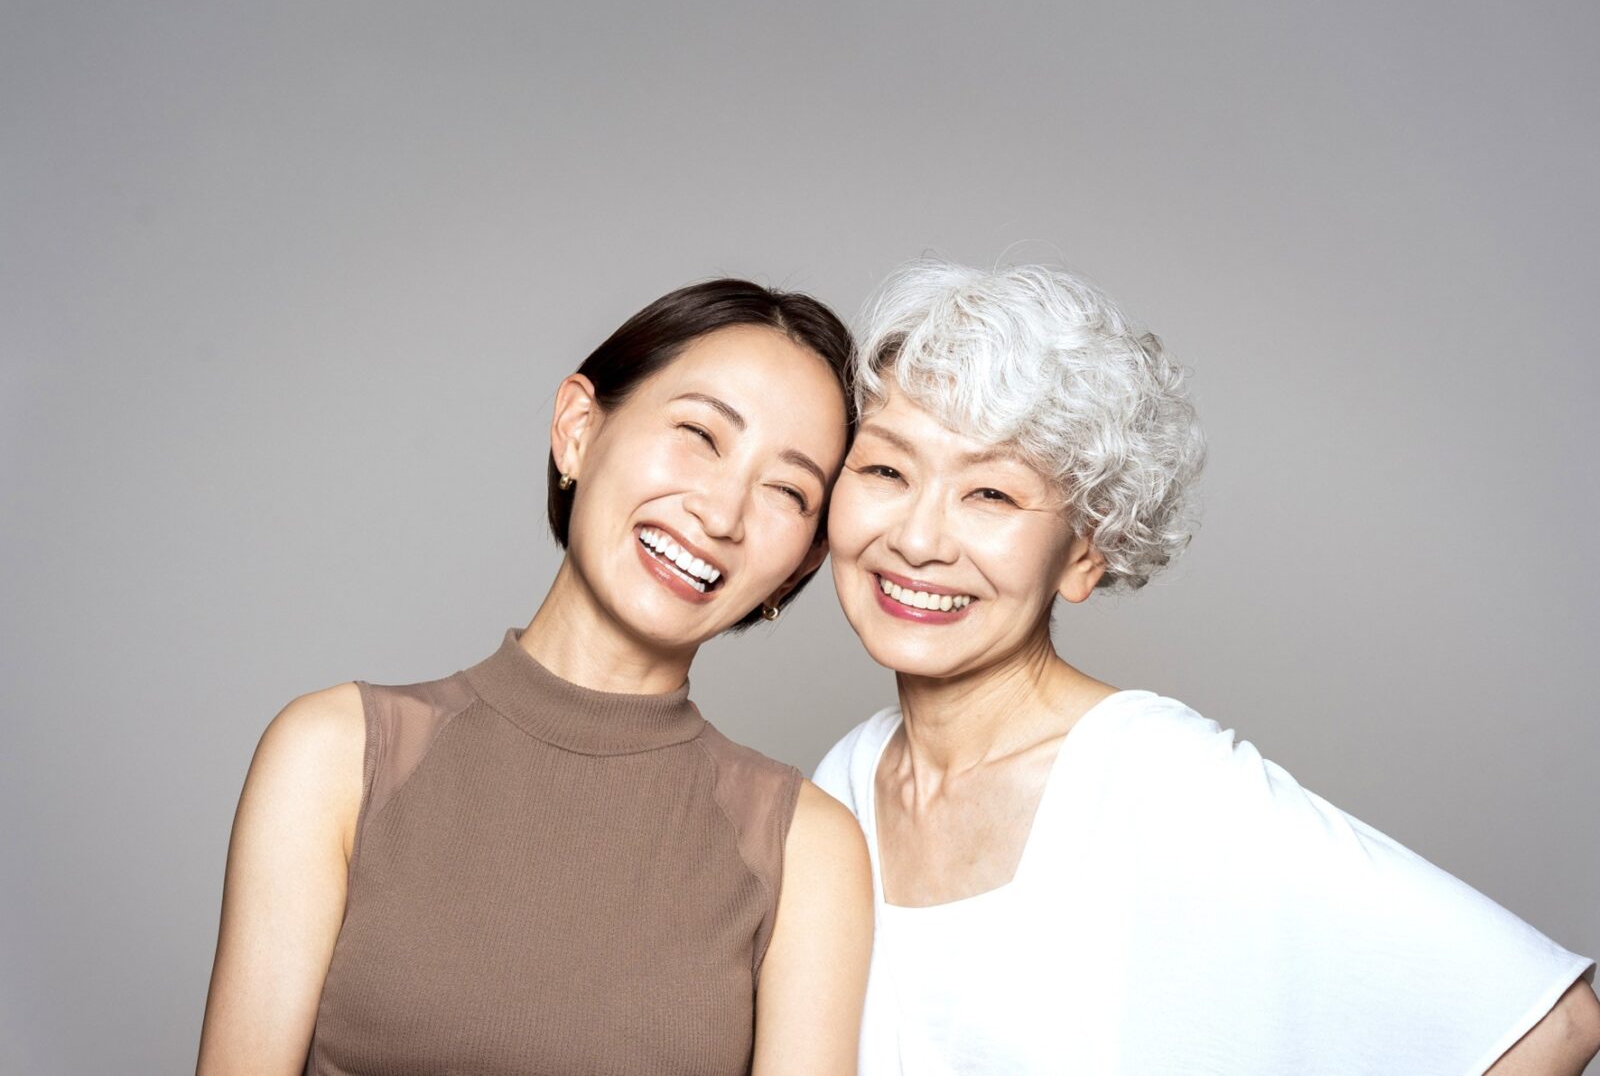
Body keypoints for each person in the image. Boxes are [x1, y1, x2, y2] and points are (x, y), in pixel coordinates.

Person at [813, 260, 1599, 1075]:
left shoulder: (1148, 776)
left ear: (1085, 553)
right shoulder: (845, 784)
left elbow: (1555, 1022)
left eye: (991, 495)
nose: (918, 539)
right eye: (886, 471)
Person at [198, 280, 873, 1075]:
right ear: (578, 429)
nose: (722, 515)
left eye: (788, 490)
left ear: (800, 566)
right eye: (700, 434)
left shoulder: (807, 851)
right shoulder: (336, 756)